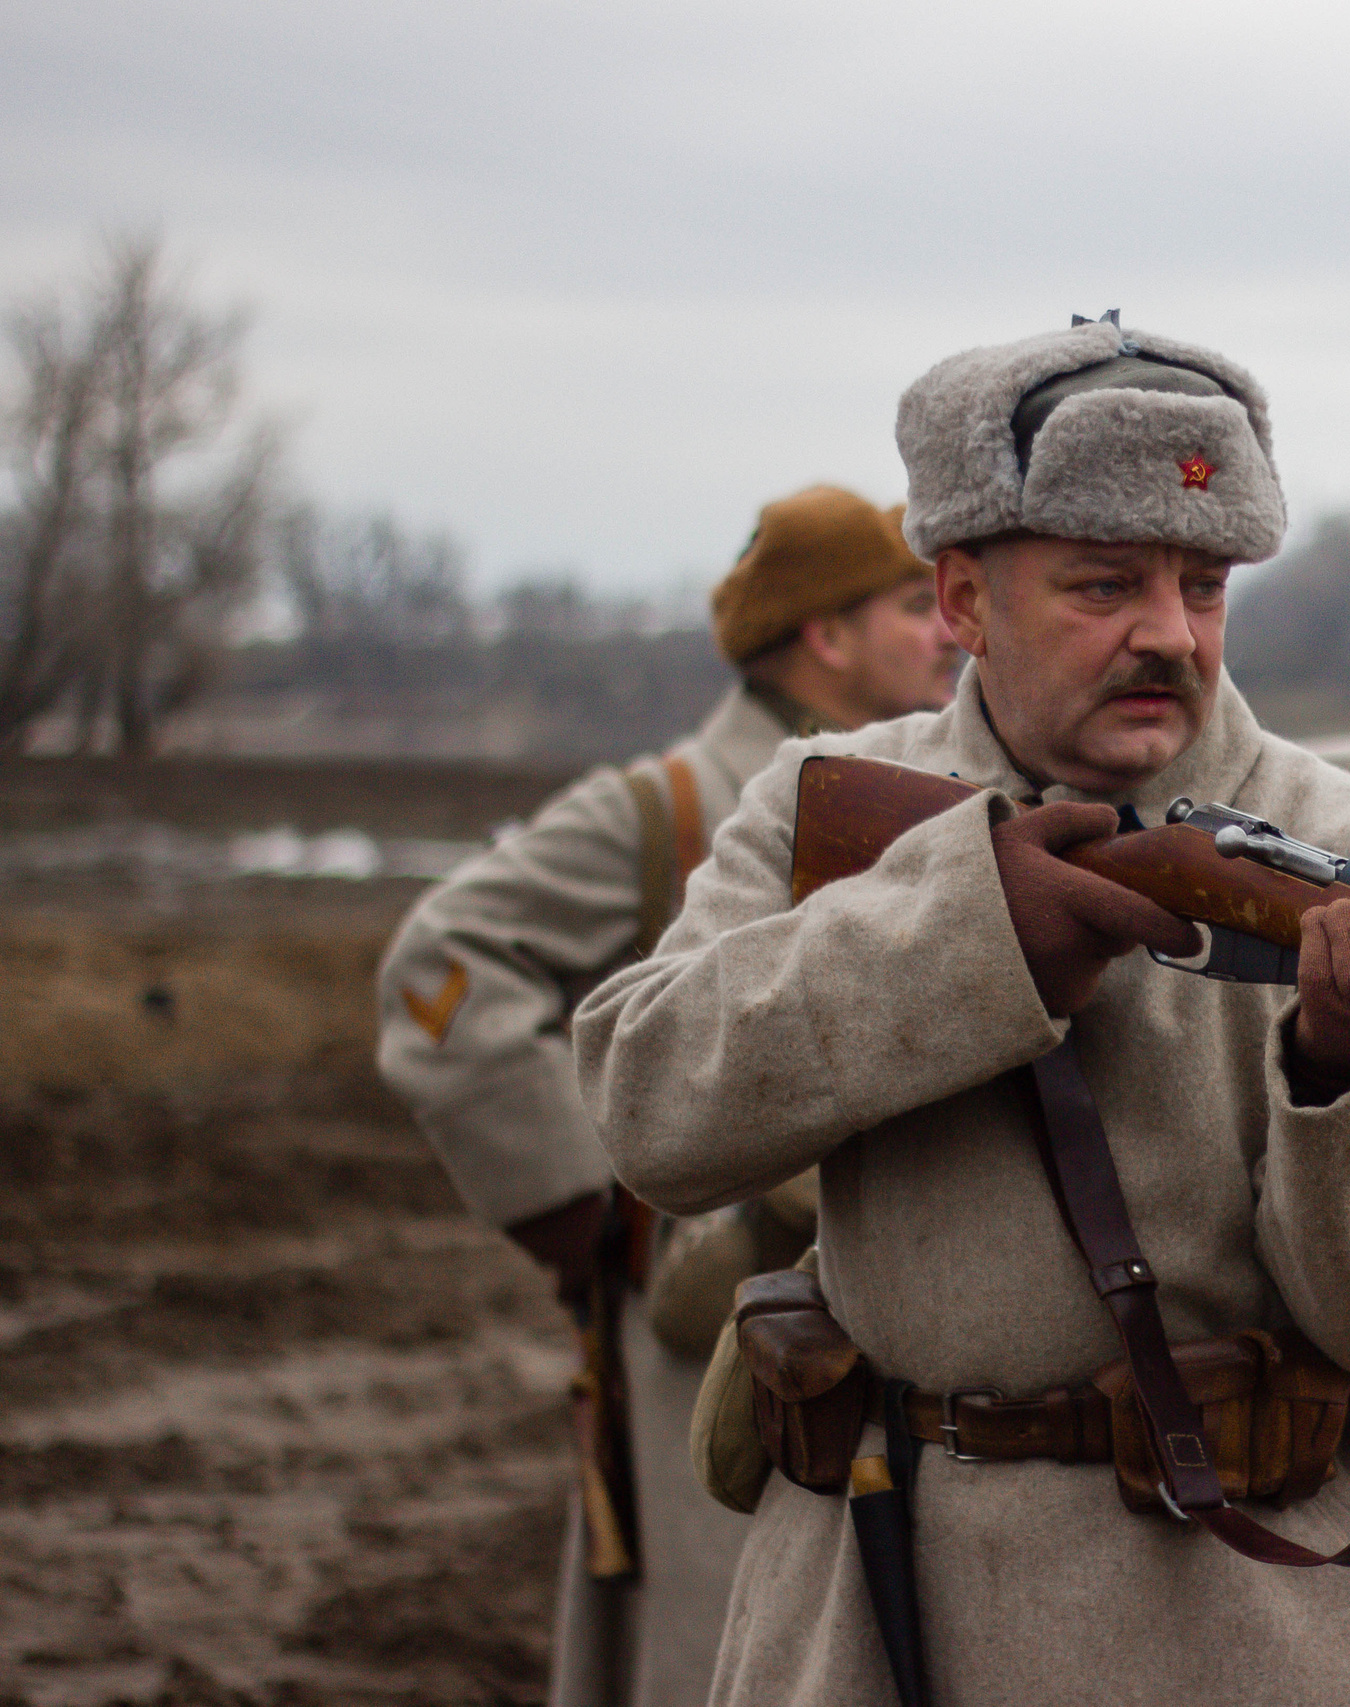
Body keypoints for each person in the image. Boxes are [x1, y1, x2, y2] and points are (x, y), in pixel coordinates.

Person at [573, 318, 1350, 1707]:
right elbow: (648, 1106)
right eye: (1105, 584)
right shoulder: (822, 803)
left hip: (1250, 1628)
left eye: (1204, 585)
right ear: (961, 599)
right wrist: (962, 935)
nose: (1168, 633)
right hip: (874, 1606)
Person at [374, 484, 958, 1707]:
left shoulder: (927, 793)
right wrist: (587, 1210)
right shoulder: (665, 809)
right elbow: (439, 970)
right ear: (825, 635)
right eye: (914, 607)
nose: (947, 632)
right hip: (720, 1337)